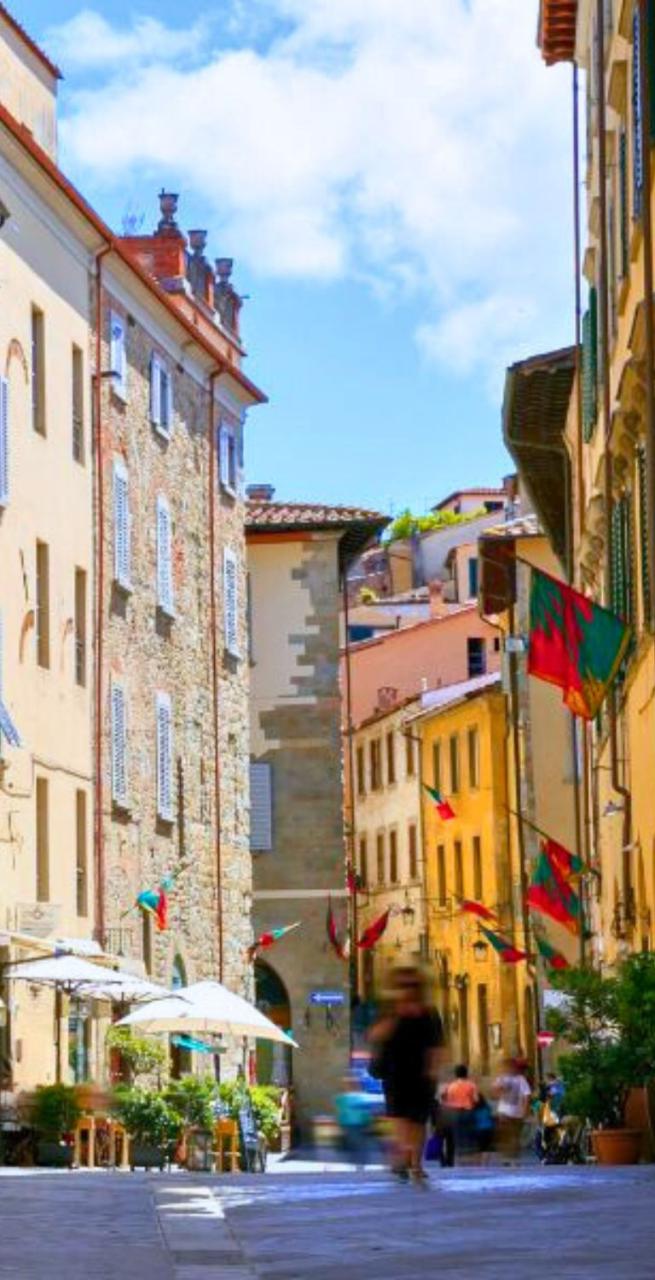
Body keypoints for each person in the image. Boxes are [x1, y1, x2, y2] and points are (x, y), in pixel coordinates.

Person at [369, 966, 444, 1184]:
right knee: (401, 1120)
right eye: (403, 985)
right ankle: (402, 1157)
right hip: (395, 1075)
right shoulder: (389, 1010)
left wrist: (434, 1070)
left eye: (413, 985)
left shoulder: (429, 1013)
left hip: (422, 1076)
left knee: (418, 1122)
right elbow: (374, 1035)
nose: (408, 989)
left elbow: (437, 1045)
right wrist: (395, 1015)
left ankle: (415, 1164)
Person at [492, 1057, 532, 1162]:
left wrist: (525, 1110)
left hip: (515, 1113)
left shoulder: (520, 1079)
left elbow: (527, 1096)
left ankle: (512, 1157)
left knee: (514, 1136)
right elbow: (494, 1093)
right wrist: (500, 1090)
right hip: (505, 1112)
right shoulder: (502, 1079)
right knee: (507, 1135)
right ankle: (508, 1157)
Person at [440, 1064, 479, 1160]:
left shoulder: (450, 1085)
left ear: (456, 1074)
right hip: (467, 1111)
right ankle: (467, 1155)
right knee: (468, 1134)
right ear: (466, 1074)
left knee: (455, 1135)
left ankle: (456, 1155)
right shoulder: (471, 1085)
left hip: (453, 1112)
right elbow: (476, 1099)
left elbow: (444, 1099)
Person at [334, 1073, 371, 1169]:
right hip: (358, 1124)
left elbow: (340, 1112)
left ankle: (357, 1162)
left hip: (350, 1124)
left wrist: (339, 1124)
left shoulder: (341, 1098)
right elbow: (366, 1112)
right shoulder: (362, 1097)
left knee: (354, 1143)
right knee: (359, 1143)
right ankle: (359, 1162)